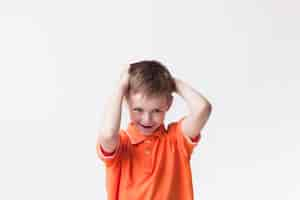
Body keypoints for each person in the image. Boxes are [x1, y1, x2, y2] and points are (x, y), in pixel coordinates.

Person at [96, 60, 212, 200]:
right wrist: (120, 88)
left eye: (156, 110)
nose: (147, 119)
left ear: (168, 103)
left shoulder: (176, 140)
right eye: (138, 110)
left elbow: (203, 108)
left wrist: (172, 83)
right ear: (126, 101)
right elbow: (108, 135)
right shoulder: (122, 145)